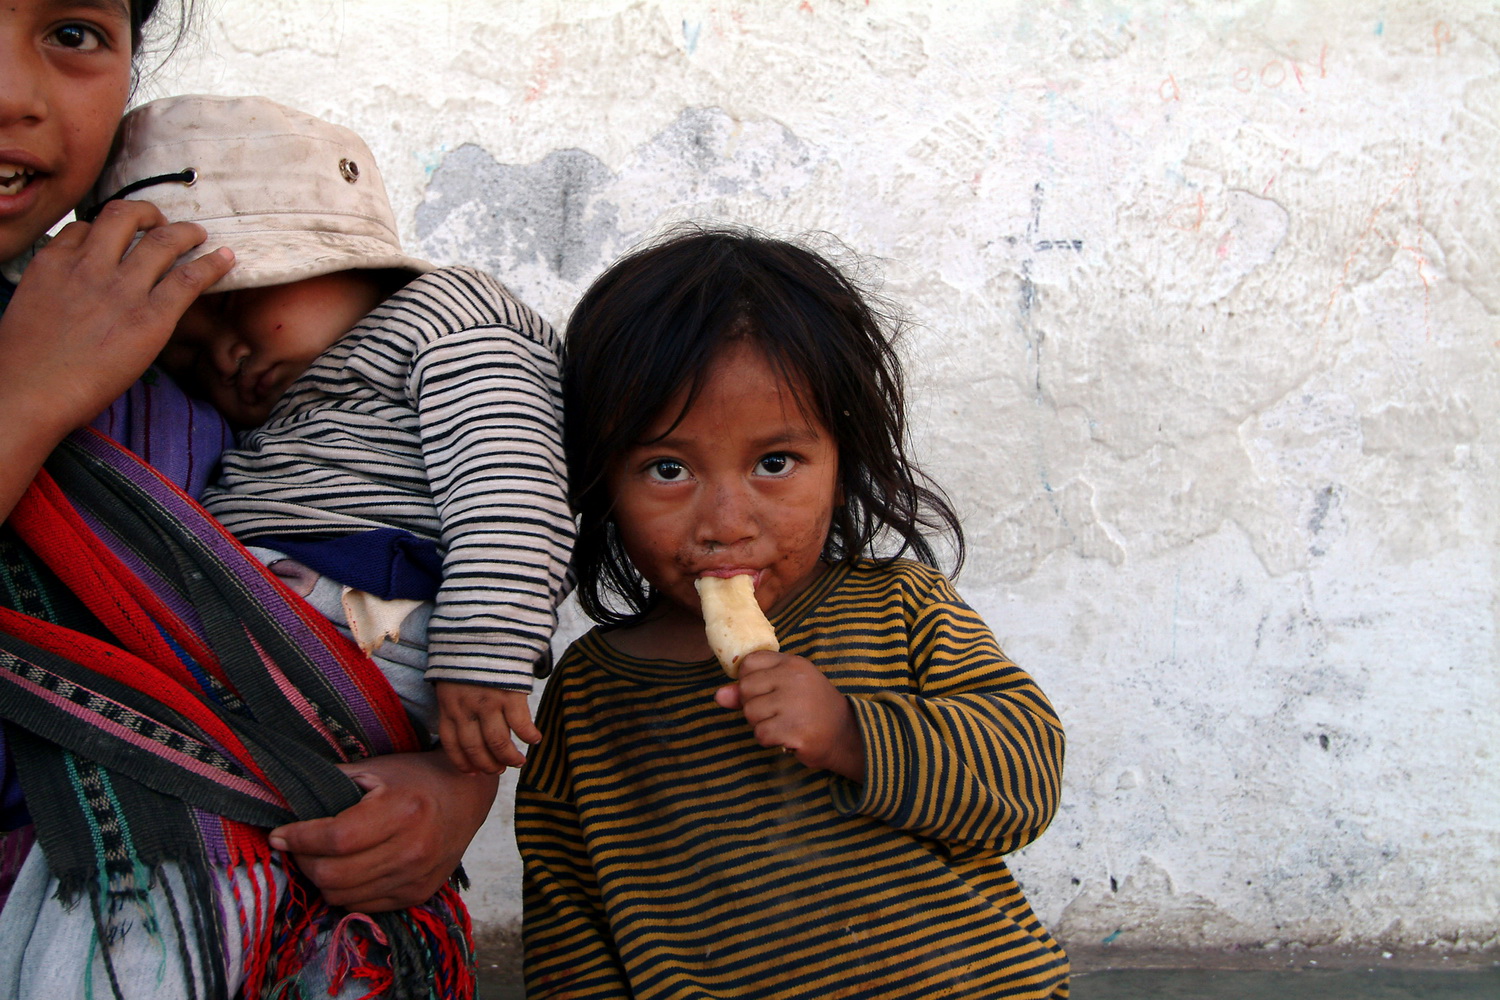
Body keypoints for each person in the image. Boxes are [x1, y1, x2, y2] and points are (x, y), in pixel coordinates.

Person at [0, 2, 500, 996]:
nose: (13, 94)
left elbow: (306, 620)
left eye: (72, 33)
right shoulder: (87, 341)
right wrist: (29, 395)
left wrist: (452, 784)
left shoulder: (167, 338)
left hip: (183, 910)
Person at [516, 226, 1071, 998]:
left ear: (842, 463)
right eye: (667, 469)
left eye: (774, 463)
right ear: (602, 485)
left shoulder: (900, 608)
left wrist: (852, 732)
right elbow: (568, 918)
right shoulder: (590, 695)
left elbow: (1025, 779)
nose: (725, 521)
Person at [97, 93, 572, 773]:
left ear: (338, 256)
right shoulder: (281, 402)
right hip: (250, 608)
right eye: (189, 356)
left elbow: (510, 494)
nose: (225, 358)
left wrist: (484, 653)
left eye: (232, 304)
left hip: (363, 611)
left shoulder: (452, 318)